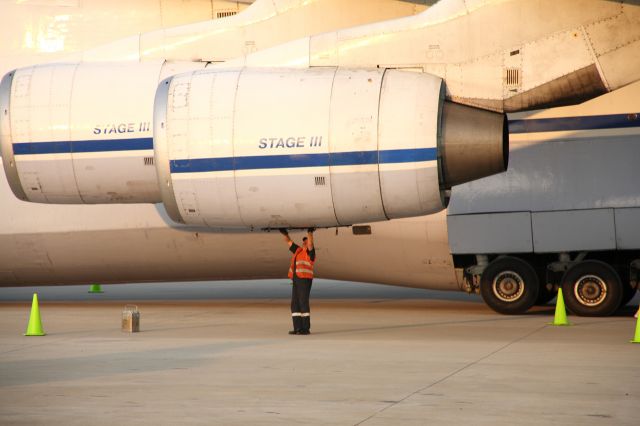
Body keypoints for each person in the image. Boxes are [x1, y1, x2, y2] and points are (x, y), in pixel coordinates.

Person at [280, 228, 316, 335]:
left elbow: (310, 244)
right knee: (294, 304)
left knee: (303, 303)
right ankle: (297, 328)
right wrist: (284, 233)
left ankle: (305, 328)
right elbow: (288, 241)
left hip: (305, 279)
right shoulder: (298, 250)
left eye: (306, 241)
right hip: (296, 279)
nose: (305, 242)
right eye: (304, 241)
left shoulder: (310, 252)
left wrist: (309, 233)